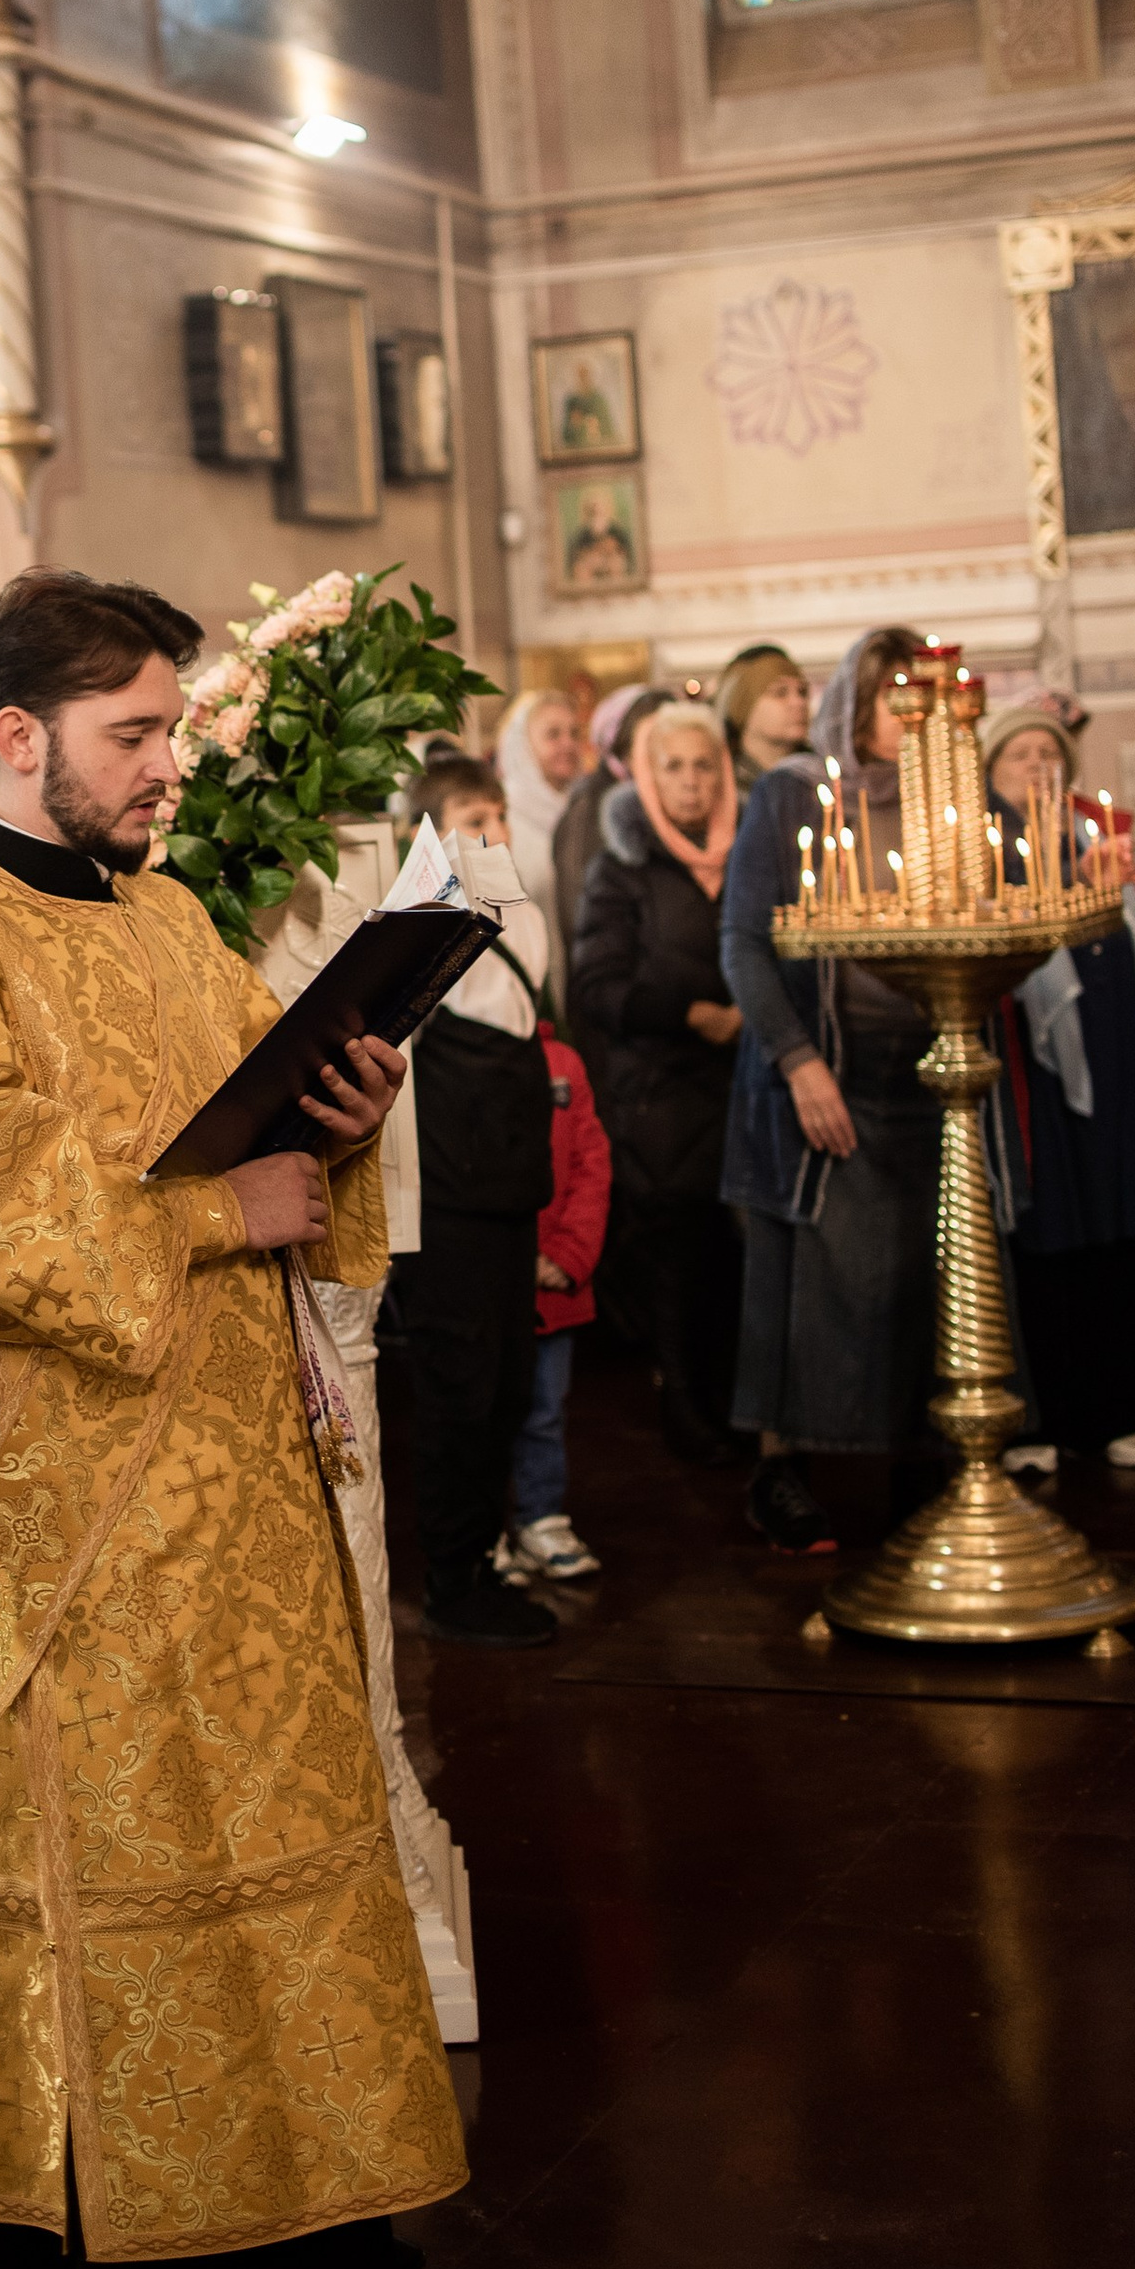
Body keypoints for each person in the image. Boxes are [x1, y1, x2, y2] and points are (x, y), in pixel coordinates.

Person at [0, 569, 465, 2269]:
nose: (169, 766)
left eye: (173, 727)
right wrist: (207, 1211)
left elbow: (272, 1138)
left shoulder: (176, 917)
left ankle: (309, 2249)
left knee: (286, 1881)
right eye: (134, 735)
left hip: (244, 1506)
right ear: (17, 737)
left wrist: (344, 1118)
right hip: (75, 1530)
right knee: (123, 1898)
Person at [721, 624, 941, 1555]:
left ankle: (928, 1473)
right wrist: (798, 1059)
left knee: (924, 1283)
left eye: (924, 694)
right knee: (800, 1288)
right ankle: (782, 1476)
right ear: (856, 700)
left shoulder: (944, 799)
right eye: (893, 692)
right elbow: (744, 941)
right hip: (820, 1070)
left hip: (924, 1075)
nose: (911, 710)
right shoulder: (795, 792)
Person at [980, 704, 1135, 1469]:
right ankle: (1044, 1419)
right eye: (1021, 754)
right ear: (990, 770)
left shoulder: (1099, 842)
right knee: (1047, 1248)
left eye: (1050, 753)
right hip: (1035, 1082)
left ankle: (1118, 1411)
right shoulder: (987, 855)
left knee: (1119, 1239)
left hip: (1118, 1070)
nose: (1039, 765)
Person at [405, 759, 568, 1644]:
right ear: (432, 833)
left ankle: (488, 1548)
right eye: (474, 818)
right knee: (460, 1383)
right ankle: (453, 1574)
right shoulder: (422, 913)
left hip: (510, 1181)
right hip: (449, 1194)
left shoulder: (523, 910)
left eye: (500, 814)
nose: (495, 830)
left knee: (509, 1381)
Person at [572, 702, 749, 1470]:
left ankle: (740, 1409)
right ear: (646, 775)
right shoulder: (622, 867)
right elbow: (596, 986)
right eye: (673, 766)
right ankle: (686, 1408)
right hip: (663, 1094)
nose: (691, 781)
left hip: (744, 1086)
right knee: (680, 1263)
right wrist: (689, 1012)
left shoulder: (749, 854)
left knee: (735, 1264)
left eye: (704, 765)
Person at [499, 1009, 611, 1586]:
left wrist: (568, 1256)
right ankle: (484, 1532)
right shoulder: (458, 1064)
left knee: (544, 1411)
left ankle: (541, 1518)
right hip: (490, 1284)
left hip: (550, 1285)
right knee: (482, 1408)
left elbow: (592, 1167)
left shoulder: (563, 1064)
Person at [550, 682, 671, 1033]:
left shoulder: (662, 806)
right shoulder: (595, 811)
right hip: (620, 1021)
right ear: (626, 751)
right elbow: (583, 926)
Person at [496, 684, 586, 954]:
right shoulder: (503, 817)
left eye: (574, 733)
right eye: (553, 734)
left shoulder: (584, 811)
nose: (568, 744)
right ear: (522, 745)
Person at [716, 643, 810, 787]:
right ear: (743, 705)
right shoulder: (719, 785)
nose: (799, 702)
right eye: (780, 692)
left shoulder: (822, 778)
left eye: (802, 692)